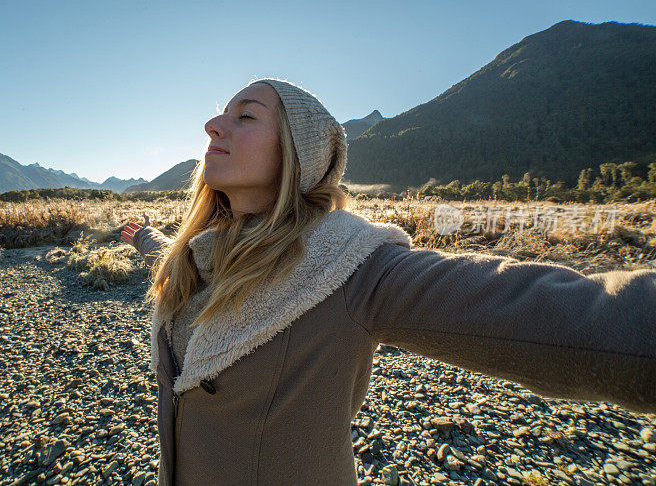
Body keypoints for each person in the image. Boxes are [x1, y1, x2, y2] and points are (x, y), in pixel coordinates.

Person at [120, 77, 656, 486]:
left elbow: (551, 312)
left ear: (297, 151)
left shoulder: (351, 265)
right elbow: (193, 273)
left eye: (245, 116)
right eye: (220, 114)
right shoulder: (203, 254)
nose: (215, 125)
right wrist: (146, 236)